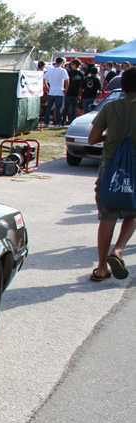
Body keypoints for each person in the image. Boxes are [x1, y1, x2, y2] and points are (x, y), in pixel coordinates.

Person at [86, 67, 136, 282]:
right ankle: (118, 250)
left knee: (107, 215)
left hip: (110, 166)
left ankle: (101, 268)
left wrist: (110, 135)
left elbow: (92, 139)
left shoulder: (110, 107)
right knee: (133, 211)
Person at [43, 57, 68, 127]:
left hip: (51, 91)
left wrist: (47, 87)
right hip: (59, 91)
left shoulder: (50, 70)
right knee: (59, 108)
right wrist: (66, 88)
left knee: (48, 108)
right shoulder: (63, 70)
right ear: (62, 63)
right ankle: (57, 123)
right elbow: (67, 80)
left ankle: (46, 123)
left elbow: (44, 79)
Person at [63, 59, 84, 125]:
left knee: (68, 108)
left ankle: (65, 120)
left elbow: (81, 85)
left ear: (75, 65)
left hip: (70, 93)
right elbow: (81, 86)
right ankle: (69, 121)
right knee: (72, 109)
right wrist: (79, 95)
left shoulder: (71, 73)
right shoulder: (80, 73)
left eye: (71, 64)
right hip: (74, 93)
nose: (71, 65)